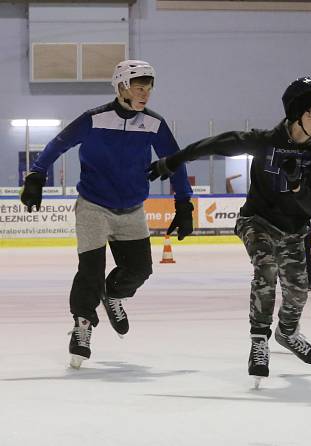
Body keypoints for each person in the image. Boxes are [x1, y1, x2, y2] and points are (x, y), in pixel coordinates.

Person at [148, 76, 311, 386]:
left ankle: (286, 332)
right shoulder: (266, 140)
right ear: (296, 114)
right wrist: (173, 160)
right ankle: (259, 341)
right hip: (256, 220)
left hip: (295, 229)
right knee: (266, 268)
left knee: (299, 290)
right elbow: (218, 143)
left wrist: (297, 184)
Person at [19, 60, 194, 369]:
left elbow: (175, 161)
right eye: (139, 87)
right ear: (121, 86)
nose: (145, 94)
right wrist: (36, 175)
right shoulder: (93, 120)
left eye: (149, 88)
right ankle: (82, 326)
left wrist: (184, 202)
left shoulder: (153, 123)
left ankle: (113, 295)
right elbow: (57, 145)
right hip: (93, 207)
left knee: (140, 270)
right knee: (90, 271)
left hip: (132, 209)